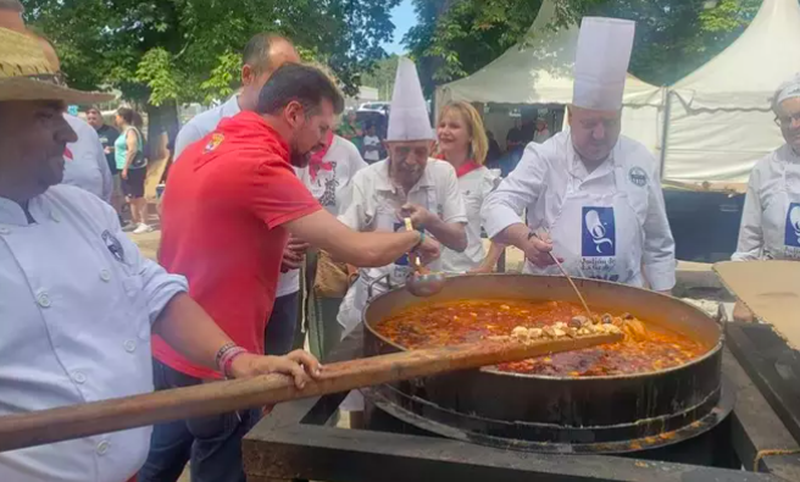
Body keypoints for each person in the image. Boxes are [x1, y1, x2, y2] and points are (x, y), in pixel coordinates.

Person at [0, 27, 321, 482]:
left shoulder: (85, 211)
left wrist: (236, 360)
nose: (68, 134)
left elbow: (154, 291)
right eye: (45, 115)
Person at [143, 63, 440, 482]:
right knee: (222, 466)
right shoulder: (261, 165)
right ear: (294, 114)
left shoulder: (203, 146)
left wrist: (270, 249)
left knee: (158, 462)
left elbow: (204, 229)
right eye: (321, 129)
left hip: (171, 342)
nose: (323, 144)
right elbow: (359, 249)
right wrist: (412, 239)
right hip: (221, 356)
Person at [482, 18, 676, 293]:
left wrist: (665, 300)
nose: (599, 134)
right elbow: (495, 204)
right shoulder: (545, 156)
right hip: (548, 299)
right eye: (589, 124)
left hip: (624, 302)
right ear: (571, 117)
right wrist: (524, 239)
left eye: (609, 123)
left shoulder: (640, 159)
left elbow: (658, 243)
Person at [336, 58, 467, 423]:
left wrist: (429, 221)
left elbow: (459, 240)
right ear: (388, 144)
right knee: (361, 399)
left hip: (426, 306)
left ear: (431, 146)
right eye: (402, 151)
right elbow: (341, 239)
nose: (411, 161)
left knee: (422, 399)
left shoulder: (443, 175)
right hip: (371, 303)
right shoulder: (366, 179)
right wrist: (404, 240)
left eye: (420, 151)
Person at [171, 33, 305, 362]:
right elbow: (183, 224)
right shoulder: (201, 132)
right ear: (248, 75)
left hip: (282, 291)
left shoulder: (294, 132)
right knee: (229, 397)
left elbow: (295, 208)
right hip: (222, 300)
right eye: (281, 76)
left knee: (279, 390)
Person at [731, 73, 800, 322]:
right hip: (775, 292)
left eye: (799, 116)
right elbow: (748, 244)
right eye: (785, 119)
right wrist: (743, 298)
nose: (793, 126)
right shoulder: (766, 169)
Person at [296, 132, 368, 358]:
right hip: (296, 249)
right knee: (296, 323)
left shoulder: (347, 151)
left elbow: (363, 195)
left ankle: (327, 373)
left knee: (328, 319)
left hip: (333, 253)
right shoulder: (294, 148)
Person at [436, 101, 505, 274]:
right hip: (429, 277)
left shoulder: (484, 179)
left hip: (465, 278)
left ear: (470, 135)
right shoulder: (425, 174)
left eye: (454, 126)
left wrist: (487, 266)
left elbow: (503, 228)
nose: (445, 131)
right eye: (442, 125)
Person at [115, 106, 152, 234]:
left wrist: (125, 168)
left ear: (122, 118)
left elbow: (132, 149)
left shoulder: (131, 131)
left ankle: (145, 223)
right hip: (124, 167)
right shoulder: (124, 132)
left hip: (133, 168)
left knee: (138, 195)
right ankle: (135, 220)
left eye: (117, 116)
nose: (116, 119)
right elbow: (124, 148)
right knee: (130, 196)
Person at [87, 106, 124, 212]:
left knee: (115, 194)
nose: (91, 121)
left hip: (111, 168)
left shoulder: (111, 131)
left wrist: (110, 149)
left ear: (100, 118)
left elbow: (120, 147)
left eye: (94, 118)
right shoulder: (86, 132)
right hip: (94, 170)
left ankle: (117, 215)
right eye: (89, 119)